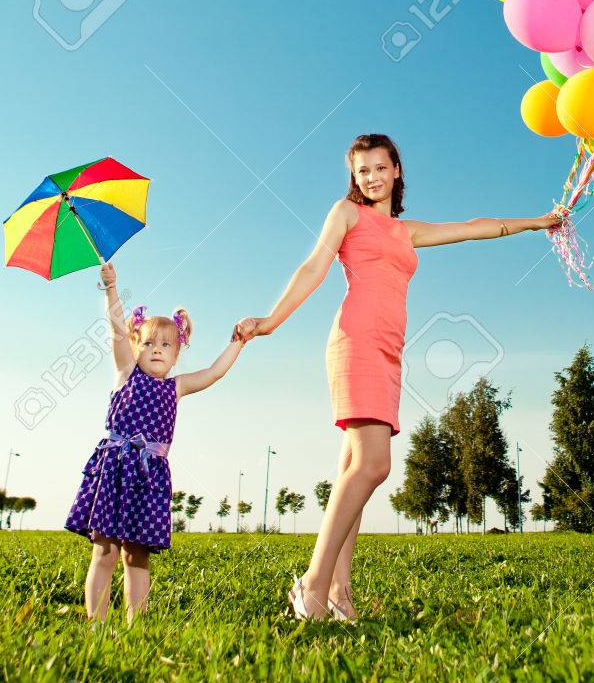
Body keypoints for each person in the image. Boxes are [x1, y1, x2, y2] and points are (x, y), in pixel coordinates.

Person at [235, 132, 562, 621]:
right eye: (361, 170)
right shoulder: (347, 214)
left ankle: (341, 595)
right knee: (373, 466)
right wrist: (271, 320)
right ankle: (313, 584)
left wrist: (537, 223)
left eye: (379, 167)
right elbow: (313, 266)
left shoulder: (407, 232)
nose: (370, 177)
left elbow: (474, 228)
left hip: (390, 350)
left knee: (354, 473)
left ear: (397, 170)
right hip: (356, 340)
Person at [65, 261, 247, 624]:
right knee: (104, 552)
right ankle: (96, 626)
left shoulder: (175, 387)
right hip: (115, 469)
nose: (157, 349)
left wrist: (237, 343)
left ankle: (136, 625)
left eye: (166, 344)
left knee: (137, 555)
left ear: (178, 352)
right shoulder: (126, 372)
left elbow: (214, 373)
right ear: (135, 347)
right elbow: (116, 330)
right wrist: (112, 289)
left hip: (148, 478)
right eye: (148, 342)